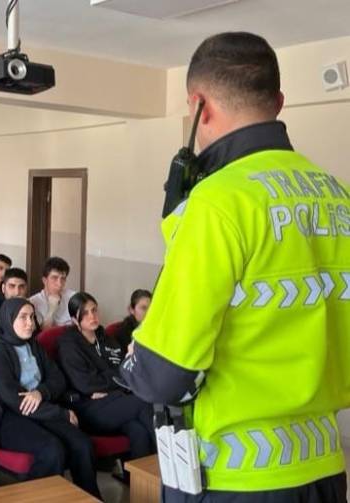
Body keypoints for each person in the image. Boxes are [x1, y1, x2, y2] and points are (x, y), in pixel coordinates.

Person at [120, 32, 350, 501]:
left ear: (198, 106)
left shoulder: (217, 204)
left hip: (234, 477)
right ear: (279, 102)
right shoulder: (338, 197)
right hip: (324, 467)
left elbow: (164, 375)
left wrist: (130, 362)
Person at [0, 298, 101, 499]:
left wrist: (41, 393)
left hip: (42, 409)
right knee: (52, 450)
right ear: (8, 319)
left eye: (32, 317)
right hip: (11, 418)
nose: (30, 323)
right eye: (23, 317)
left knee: (83, 444)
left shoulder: (33, 345)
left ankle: (90, 497)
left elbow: (57, 379)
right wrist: (61, 413)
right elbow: (18, 403)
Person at [57, 292, 155, 460]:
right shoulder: (69, 344)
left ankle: (140, 483)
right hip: (88, 407)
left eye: (94, 310)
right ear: (74, 320)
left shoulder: (106, 338)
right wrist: (114, 379)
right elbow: (86, 384)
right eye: (85, 313)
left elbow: (125, 371)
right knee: (144, 402)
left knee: (138, 431)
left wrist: (108, 382)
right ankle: (172, 462)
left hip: (115, 401)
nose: (92, 316)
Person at [29, 257, 76, 329]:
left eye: (63, 278)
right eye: (54, 278)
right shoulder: (33, 302)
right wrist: (51, 309)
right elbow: (41, 334)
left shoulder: (73, 297)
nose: (59, 284)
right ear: (44, 280)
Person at [111, 289, 151, 361]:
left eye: (151, 308)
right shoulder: (121, 333)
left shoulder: (157, 330)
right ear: (131, 309)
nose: (149, 312)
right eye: (144, 308)